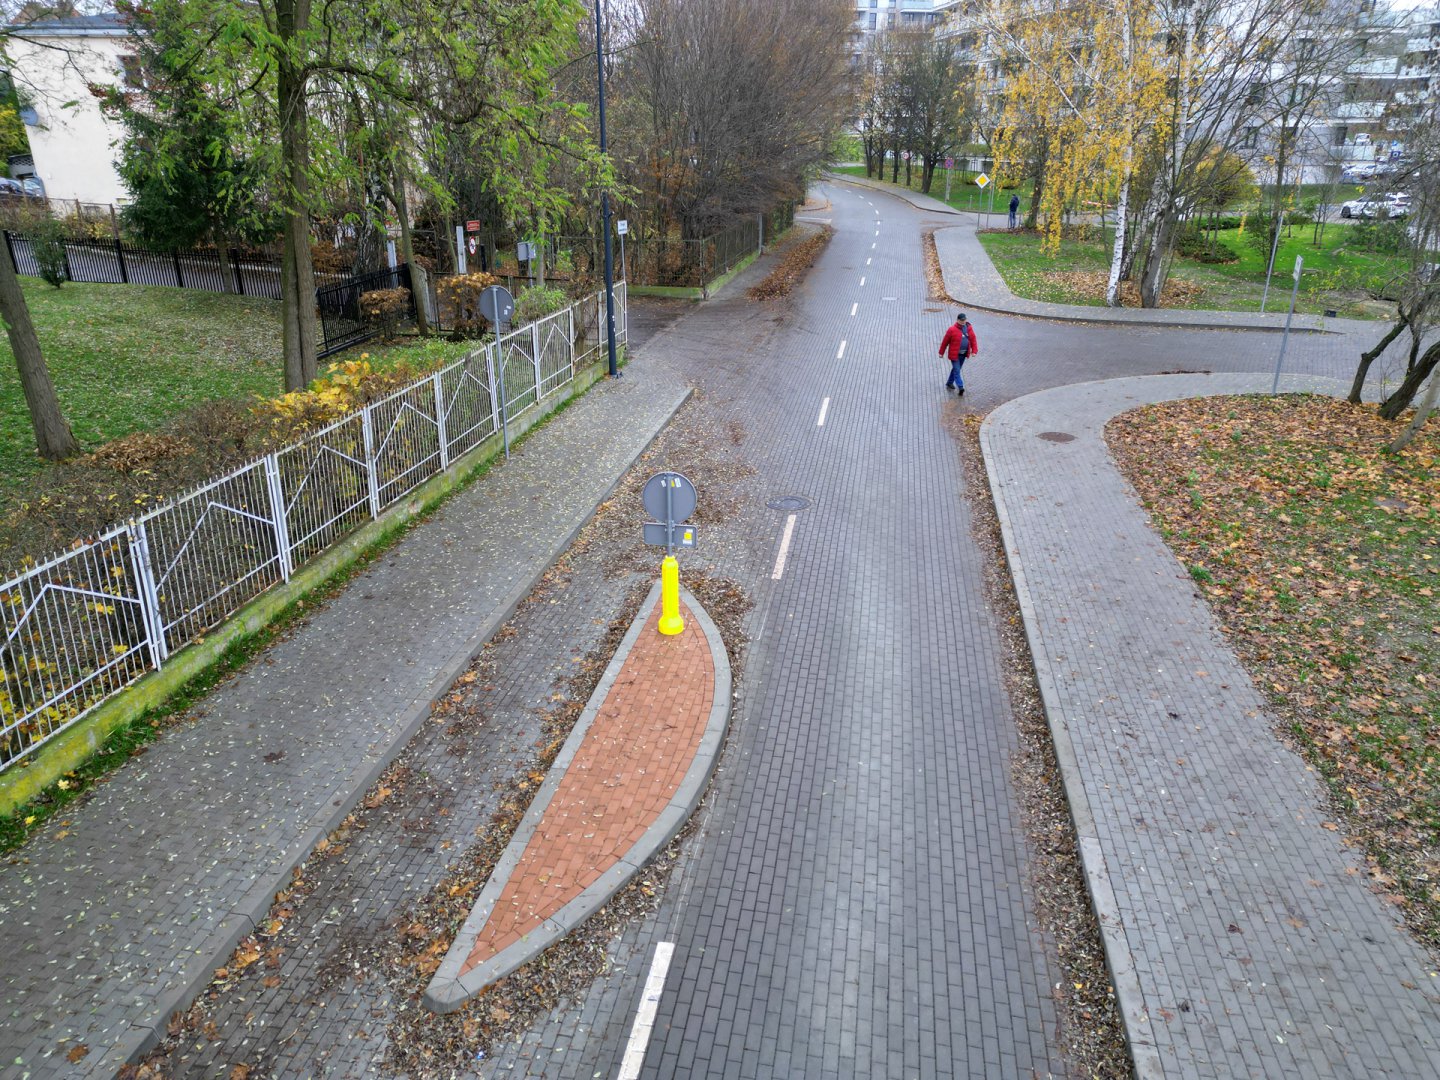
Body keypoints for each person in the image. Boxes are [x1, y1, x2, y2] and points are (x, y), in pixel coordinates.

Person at [938, 313, 979, 395]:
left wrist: (974, 351)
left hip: (963, 355)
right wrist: (941, 352)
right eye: (961, 320)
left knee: (956, 369)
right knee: (957, 370)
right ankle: (961, 387)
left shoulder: (969, 328)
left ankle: (949, 383)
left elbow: (973, 339)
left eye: (964, 320)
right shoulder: (951, 330)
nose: (963, 321)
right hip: (954, 355)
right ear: (957, 320)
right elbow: (945, 342)